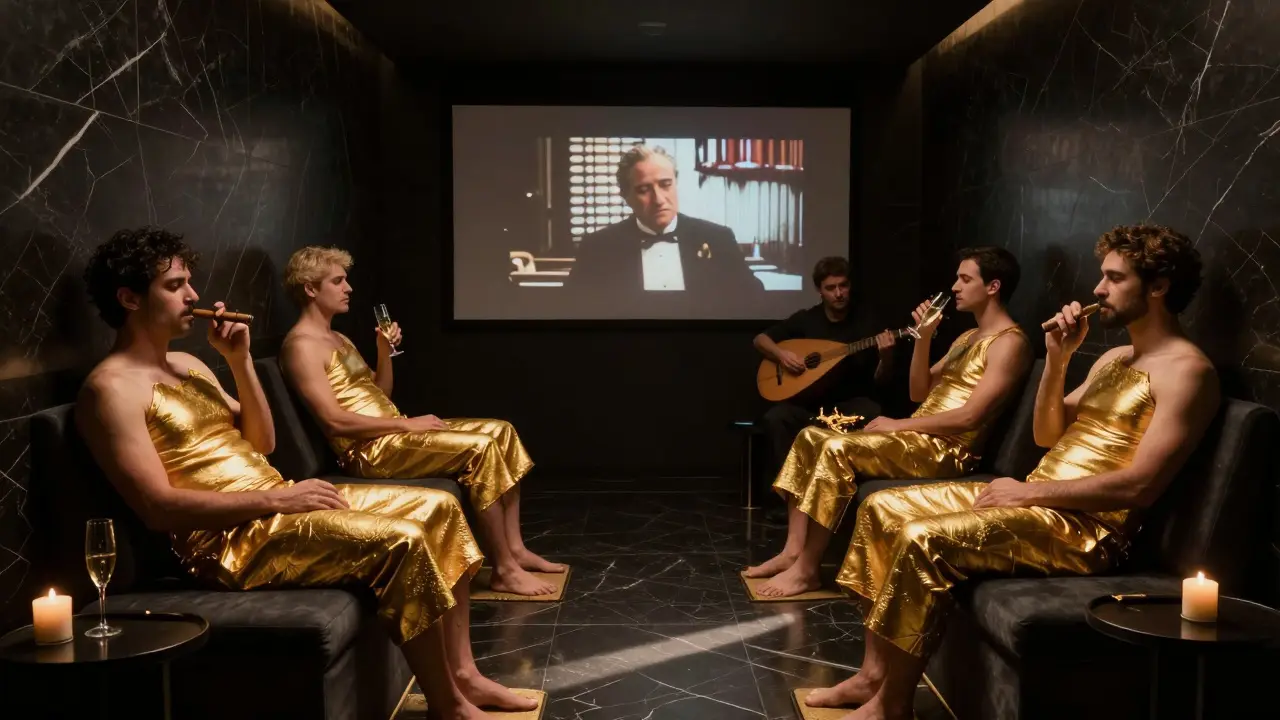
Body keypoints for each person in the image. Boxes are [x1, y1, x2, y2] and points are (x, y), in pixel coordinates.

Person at [75, 228, 537, 718]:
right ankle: (449, 705)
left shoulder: (189, 363)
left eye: (189, 281)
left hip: (274, 502)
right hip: (227, 539)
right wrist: (280, 501)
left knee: (441, 508)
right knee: (402, 538)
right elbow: (157, 508)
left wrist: (239, 361)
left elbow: (263, 443)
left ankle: (465, 676)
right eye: (174, 286)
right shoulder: (110, 389)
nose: (193, 295)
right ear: (128, 298)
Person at [808, 225, 1219, 720]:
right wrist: (1058, 361)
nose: (1098, 290)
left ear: (1158, 286)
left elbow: (1141, 486)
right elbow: (1048, 434)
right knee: (880, 508)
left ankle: (892, 705)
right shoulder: (1114, 358)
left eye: (1114, 278)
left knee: (922, 539)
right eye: (1101, 277)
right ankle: (873, 677)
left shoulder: (1188, 371)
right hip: (1045, 501)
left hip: (1088, 529)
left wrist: (1029, 494)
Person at [746, 246, 1032, 598]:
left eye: (965, 278)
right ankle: (792, 550)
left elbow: (971, 416)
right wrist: (922, 338)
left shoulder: (1010, 343)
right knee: (809, 436)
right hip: (920, 438)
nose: (955, 286)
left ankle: (807, 571)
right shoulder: (965, 338)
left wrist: (899, 425)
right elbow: (918, 391)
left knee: (835, 448)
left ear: (993, 287)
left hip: (947, 450)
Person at [278, 246, 563, 598]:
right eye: (338, 281)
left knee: (500, 430)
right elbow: (334, 422)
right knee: (481, 448)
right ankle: (504, 569)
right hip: (369, 451)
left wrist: (384, 352)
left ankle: (516, 549)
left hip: (393, 434)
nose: (348, 288)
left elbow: (380, 392)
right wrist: (406, 425)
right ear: (310, 288)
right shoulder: (301, 346)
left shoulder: (340, 339)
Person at [753, 256, 897, 515]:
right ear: (820, 290)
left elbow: (881, 381)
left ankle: (850, 501)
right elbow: (760, 340)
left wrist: (886, 356)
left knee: (874, 412)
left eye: (843, 286)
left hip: (847, 405)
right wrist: (782, 355)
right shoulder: (806, 319)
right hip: (808, 404)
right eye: (831, 288)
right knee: (777, 418)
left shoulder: (867, 323)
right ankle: (786, 502)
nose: (839, 293)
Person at [564, 144, 764, 316]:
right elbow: (573, 308)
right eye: (644, 190)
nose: (659, 200)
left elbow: (753, 299)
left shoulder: (718, 238)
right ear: (626, 196)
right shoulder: (598, 246)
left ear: (675, 184)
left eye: (665, 185)